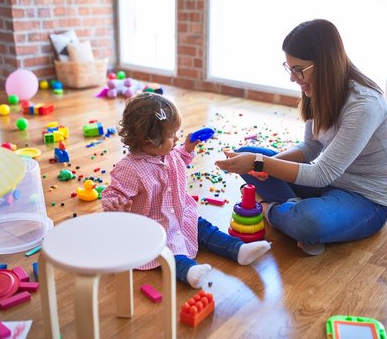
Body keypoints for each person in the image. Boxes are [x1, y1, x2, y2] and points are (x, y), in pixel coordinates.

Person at [215, 19, 387, 256]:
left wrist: (261, 163)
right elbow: (310, 147)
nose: (293, 78)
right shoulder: (318, 89)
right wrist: (261, 166)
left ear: (326, 64)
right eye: (289, 68)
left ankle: (271, 208)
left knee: (308, 223)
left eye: (298, 69)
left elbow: (322, 174)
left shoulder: (364, 104)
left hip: (364, 200)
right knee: (248, 154)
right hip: (324, 186)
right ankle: (293, 211)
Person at [102, 92, 271, 288]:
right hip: (155, 226)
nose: (176, 138)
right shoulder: (130, 168)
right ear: (150, 142)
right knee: (169, 251)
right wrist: (116, 204)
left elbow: (178, 158)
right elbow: (113, 193)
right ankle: (189, 271)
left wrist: (188, 148)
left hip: (181, 213)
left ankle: (238, 250)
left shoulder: (167, 152)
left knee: (205, 229)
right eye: (171, 135)